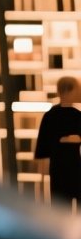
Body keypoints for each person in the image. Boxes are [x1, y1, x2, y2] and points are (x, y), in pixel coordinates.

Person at [36, 76, 81, 210]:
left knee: (62, 206)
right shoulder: (52, 116)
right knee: (62, 206)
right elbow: (43, 148)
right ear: (68, 91)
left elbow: (43, 148)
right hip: (62, 169)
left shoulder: (52, 115)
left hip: (69, 168)